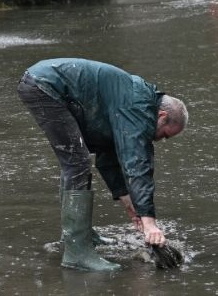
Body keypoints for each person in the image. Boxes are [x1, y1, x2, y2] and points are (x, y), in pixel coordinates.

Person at [17, 58, 189, 271]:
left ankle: (79, 235)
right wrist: (149, 222)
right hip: (46, 86)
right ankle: (76, 252)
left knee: (75, 159)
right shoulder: (139, 108)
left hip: (45, 83)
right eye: (164, 134)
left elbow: (109, 155)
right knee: (77, 162)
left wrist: (130, 204)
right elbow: (136, 164)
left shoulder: (133, 104)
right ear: (161, 115)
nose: (159, 140)